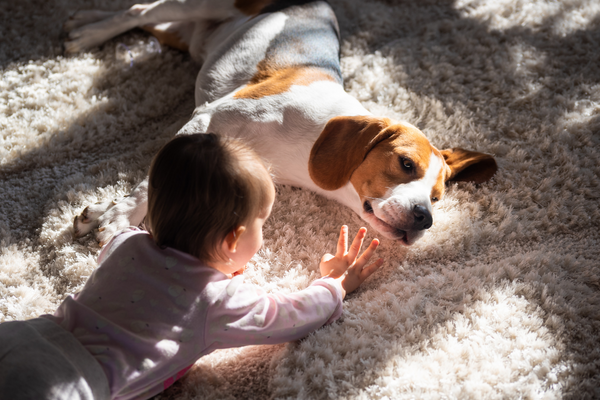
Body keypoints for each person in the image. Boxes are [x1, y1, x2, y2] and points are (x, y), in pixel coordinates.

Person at [0, 133, 383, 400]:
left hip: (25, 336)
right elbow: (289, 316)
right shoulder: (217, 300)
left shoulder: (127, 243)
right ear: (232, 240)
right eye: (261, 223)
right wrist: (335, 284)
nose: (263, 232)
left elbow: (124, 252)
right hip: (73, 382)